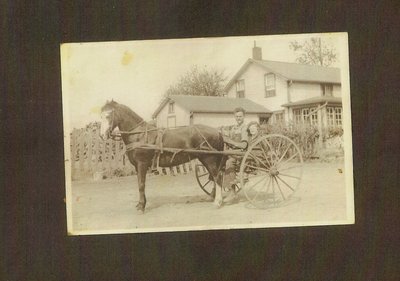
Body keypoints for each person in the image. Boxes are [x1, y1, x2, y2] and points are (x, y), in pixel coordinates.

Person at [222, 107, 248, 204]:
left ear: (244, 116)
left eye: (240, 116)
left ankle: (232, 192)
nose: (238, 118)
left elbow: (244, 145)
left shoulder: (245, 128)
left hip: (241, 153)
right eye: (237, 116)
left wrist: (230, 142)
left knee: (229, 163)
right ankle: (216, 189)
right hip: (233, 152)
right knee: (218, 161)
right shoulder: (234, 128)